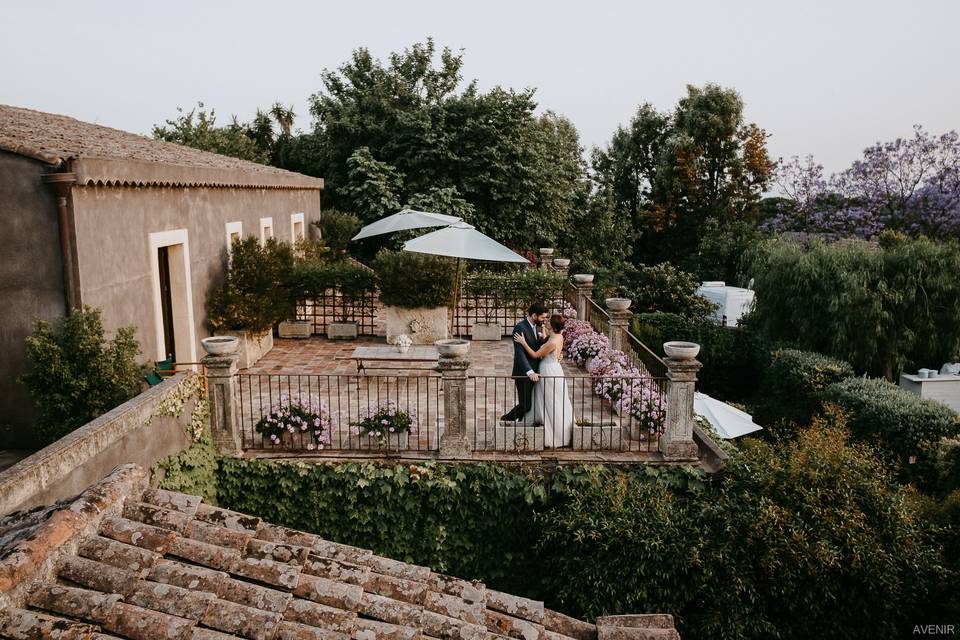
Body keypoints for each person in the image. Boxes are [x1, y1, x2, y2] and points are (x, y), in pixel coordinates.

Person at [514, 314, 574, 448]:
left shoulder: (552, 342)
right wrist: (543, 335)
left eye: (548, 321)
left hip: (548, 371)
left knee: (550, 402)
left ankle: (554, 435)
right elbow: (549, 341)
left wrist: (523, 343)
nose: (545, 322)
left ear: (552, 326)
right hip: (555, 368)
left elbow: (535, 355)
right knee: (549, 400)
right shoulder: (558, 336)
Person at [501, 302, 549, 423]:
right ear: (534, 315)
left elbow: (537, 347)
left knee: (533, 403)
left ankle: (522, 424)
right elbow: (520, 353)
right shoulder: (520, 328)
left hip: (537, 372)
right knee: (525, 405)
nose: (544, 320)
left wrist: (543, 338)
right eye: (542, 317)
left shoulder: (539, 327)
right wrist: (529, 372)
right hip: (524, 373)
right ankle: (505, 419)